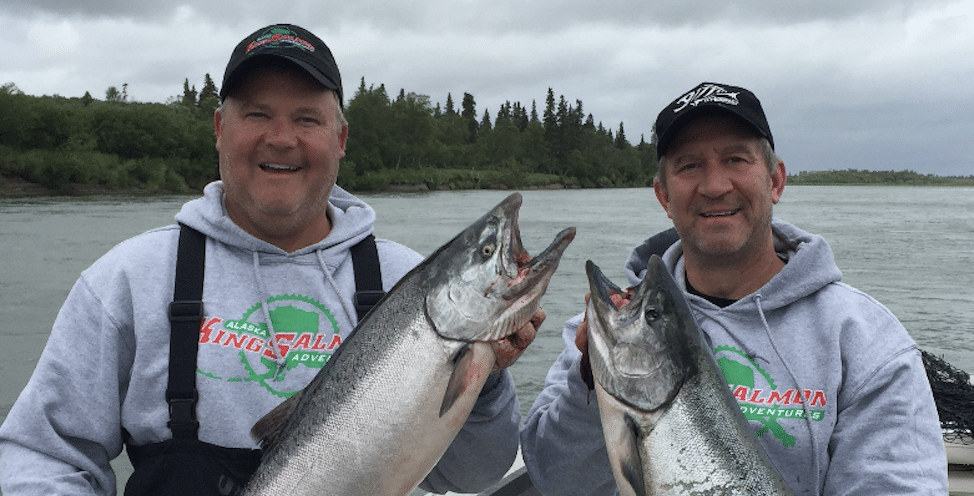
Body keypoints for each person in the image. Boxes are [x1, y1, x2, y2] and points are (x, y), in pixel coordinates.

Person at [0, 24, 539, 496]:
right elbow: (43, 456)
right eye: (257, 113)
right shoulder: (127, 280)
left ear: (341, 137)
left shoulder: (403, 280)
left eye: (307, 118)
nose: (281, 139)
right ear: (219, 129)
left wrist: (485, 375)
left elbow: (474, 477)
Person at [520, 82, 948, 495]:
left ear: (776, 181)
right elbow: (557, 482)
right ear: (663, 195)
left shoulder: (865, 339)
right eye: (689, 165)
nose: (715, 185)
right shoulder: (603, 332)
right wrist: (589, 384)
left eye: (736, 160)